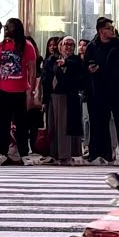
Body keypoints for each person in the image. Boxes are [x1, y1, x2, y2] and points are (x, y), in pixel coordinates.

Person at [0, 18, 37, 165]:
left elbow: (32, 70)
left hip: (21, 91)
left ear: (16, 29)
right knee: (2, 124)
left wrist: (31, 91)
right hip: (3, 91)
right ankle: (2, 153)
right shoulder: (0, 47)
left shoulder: (27, 46)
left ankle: (23, 154)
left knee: (22, 125)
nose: (6, 30)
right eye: (5, 27)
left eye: (8, 27)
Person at [84, 17, 119, 164]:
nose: (112, 30)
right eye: (108, 28)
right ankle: (100, 153)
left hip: (117, 90)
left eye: (112, 28)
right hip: (98, 91)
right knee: (98, 123)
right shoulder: (92, 47)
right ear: (101, 31)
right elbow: (85, 65)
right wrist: (90, 70)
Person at [42, 36, 85, 164]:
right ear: (60, 46)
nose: (68, 47)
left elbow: (79, 75)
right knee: (54, 126)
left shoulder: (76, 61)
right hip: (54, 97)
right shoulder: (51, 60)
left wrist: (65, 65)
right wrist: (44, 100)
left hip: (69, 97)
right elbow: (46, 80)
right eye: (66, 44)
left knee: (66, 126)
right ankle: (55, 153)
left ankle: (66, 154)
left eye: (72, 45)